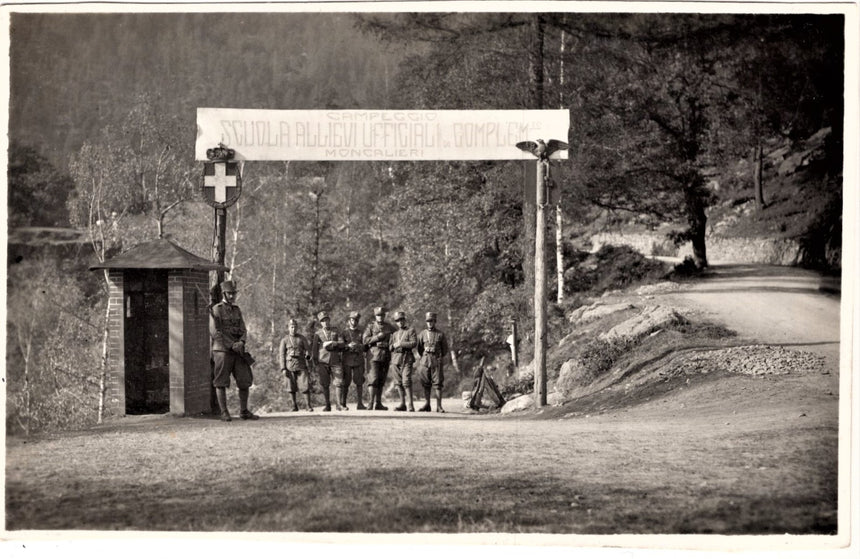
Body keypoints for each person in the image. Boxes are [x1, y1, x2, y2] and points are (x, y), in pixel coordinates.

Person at [209, 280, 259, 421]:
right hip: (223, 351)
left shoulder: (237, 310)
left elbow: (243, 329)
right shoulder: (216, 310)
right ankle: (224, 412)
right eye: (229, 294)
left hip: (238, 351)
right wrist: (232, 345)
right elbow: (215, 333)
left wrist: (241, 342)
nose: (232, 296)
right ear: (224, 293)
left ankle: (243, 411)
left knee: (245, 380)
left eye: (233, 293)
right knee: (221, 382)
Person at [311, 311, 346, 412]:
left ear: (329, 320)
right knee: (325, 383)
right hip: (323, 361)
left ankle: (339, 405)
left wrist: (332, 342)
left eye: (326, 320)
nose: (325, 322)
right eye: (322, 321)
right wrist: (315, 361)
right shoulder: (317, 334)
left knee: (339, 382)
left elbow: (342, 343)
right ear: (320, 323)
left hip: (335, 360)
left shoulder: (335, 331)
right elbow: (314, 349)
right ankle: (327, 405)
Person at [363, 306, 395, 410]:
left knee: (381, 379)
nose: (380, 317)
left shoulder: (389, 327)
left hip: (385, 355)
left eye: (382, 315)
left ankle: (378, 403)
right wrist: (377, 337)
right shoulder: (370, 327)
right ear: (375, 316)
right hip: (373, 355)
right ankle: (370, 403)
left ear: (384, 315)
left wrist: (391, 344)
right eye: (378, 315)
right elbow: (365, 340)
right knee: (373, 379)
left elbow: (397, 336)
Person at [416, 311, 449, 413]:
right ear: (426, 322)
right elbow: (419, 348)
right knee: (426, 383)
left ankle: (439, 406)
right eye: (428, 321)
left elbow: (445, 349)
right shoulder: (422, 334)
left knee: (438, 383)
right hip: (425, 361)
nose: (430, 323)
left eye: (432, 321)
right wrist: (425, 356)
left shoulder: (440, 334)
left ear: (435, 322)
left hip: (436, 361)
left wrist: (437, 356)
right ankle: (427, 404)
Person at [278, 318, 313, 412]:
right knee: (290, 386)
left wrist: (308, 355)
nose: (293, 329)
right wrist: (283, 368)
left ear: (297, 328)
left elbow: (308, 350)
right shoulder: (284, 340)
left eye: (295, 327)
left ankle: (308, 405)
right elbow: (281, 355)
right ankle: (294, 406)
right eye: (291, 327)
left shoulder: (302, 338)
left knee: (305, 385)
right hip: (289, 366)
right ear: (288, 328)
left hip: (301, 364)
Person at [389, 311, 417, 412]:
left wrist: (401, 344)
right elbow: (390, 347)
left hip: (407, 358)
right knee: (398, 382)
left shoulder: (411, 331)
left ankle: (410, 405)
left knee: (406, 381)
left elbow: (414, 343)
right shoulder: (394, 334)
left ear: (405, 320)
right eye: (397, 320)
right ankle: (402, 404)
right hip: (396, 359)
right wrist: (393, 346)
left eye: (401, 320)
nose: (400, 322)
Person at [342, 310, 367, 410]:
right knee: (345, 382)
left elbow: (366, 345)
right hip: (347, 360)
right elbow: (340, 345)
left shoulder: (361, 333)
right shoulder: (344, 333)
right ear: (349, 321)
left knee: (359, 381)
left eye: (356, 320)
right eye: (352, 319)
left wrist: (359, 346)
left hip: (358, 360)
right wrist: (347, 346)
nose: (354, 322)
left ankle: (360, 403)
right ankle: (343, 403)